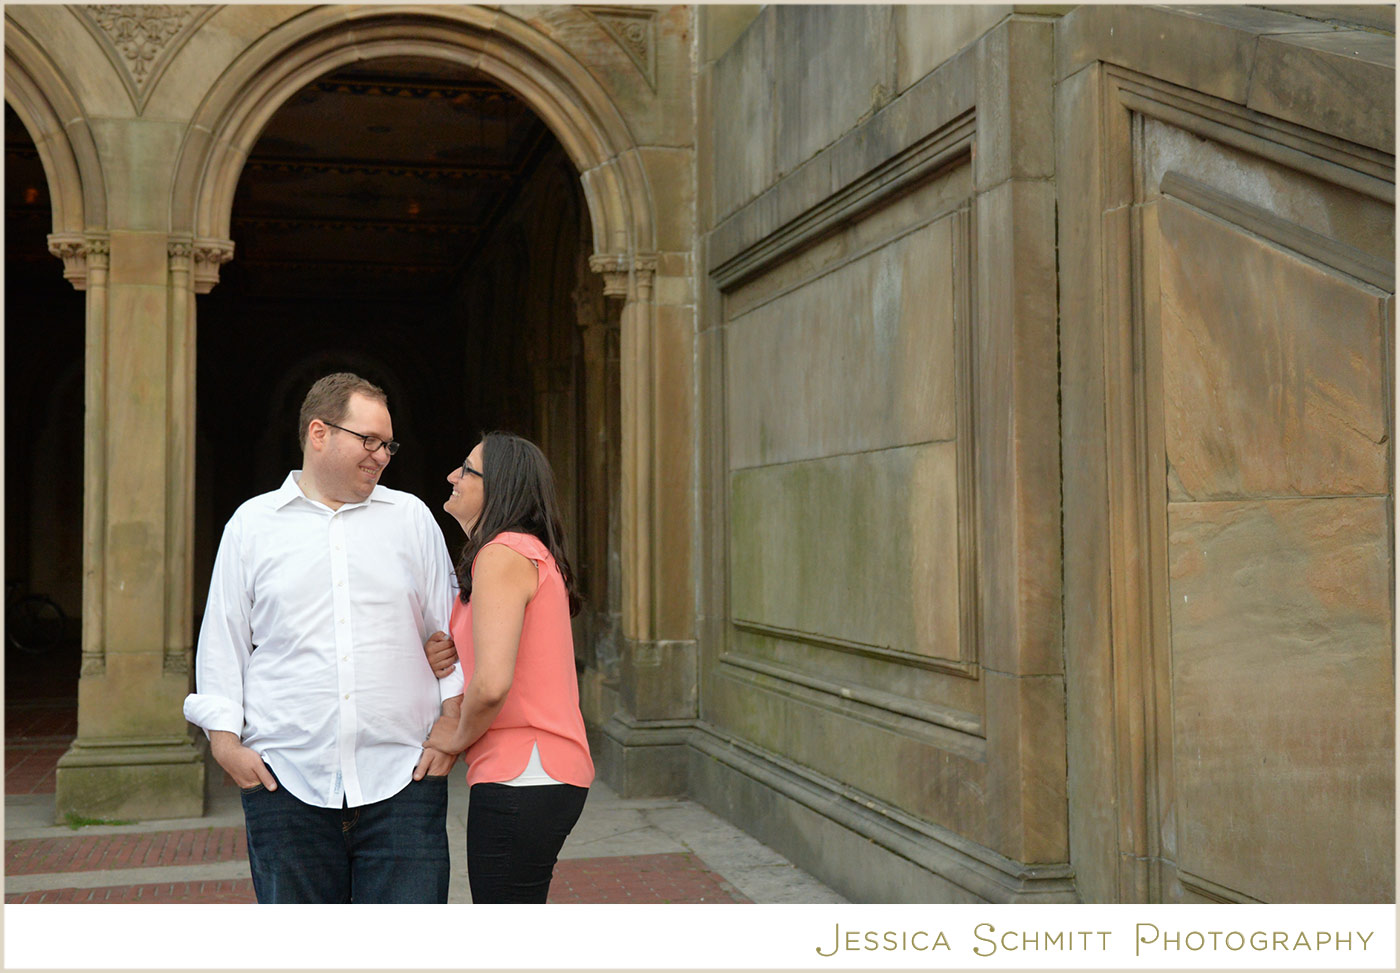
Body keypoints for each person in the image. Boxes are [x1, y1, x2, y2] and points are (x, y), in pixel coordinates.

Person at [183, 372, 462, 903]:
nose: (382, 456)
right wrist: (225, 744)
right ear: (319, 433)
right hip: (284, 781)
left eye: (389, 444)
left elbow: (450, 630)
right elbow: (223, 639)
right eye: (370, 441)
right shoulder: (252, 525)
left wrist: (451, 722)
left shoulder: (411, 519)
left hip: (403, 778)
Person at [423, 431, 594, 903]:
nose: (452, 477)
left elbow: (494, 682)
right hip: (535, 773)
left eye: (467, 470)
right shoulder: (519, 551)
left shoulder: (500, 553)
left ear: (499, 487)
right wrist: (448, 650)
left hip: (524, 771)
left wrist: (454, 738)